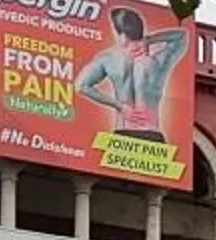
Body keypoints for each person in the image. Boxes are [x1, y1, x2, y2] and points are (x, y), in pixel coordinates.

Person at [79, 7, 191, 142]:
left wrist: (120, 106)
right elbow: (182, 35)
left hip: (122, 133)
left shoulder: (108, 59)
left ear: (120, 34)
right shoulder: (157, 62)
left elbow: (82, 86)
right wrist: (149, 39)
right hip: (152, 134)